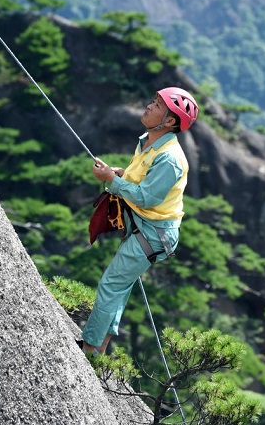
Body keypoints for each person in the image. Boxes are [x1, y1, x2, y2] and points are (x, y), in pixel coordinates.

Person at [80, 87, 199, 356]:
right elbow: (141, 179)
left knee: (112, 284)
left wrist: (112, 180)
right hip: (146, 226)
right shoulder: (148, 141)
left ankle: (87, 350)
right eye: (154, 101)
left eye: (157, 105)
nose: (148, 106)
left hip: (154, 233)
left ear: (169, 121)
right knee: (118, 288)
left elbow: (147, 198)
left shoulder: (170, 159)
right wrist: (120, 174)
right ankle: (98, 350)